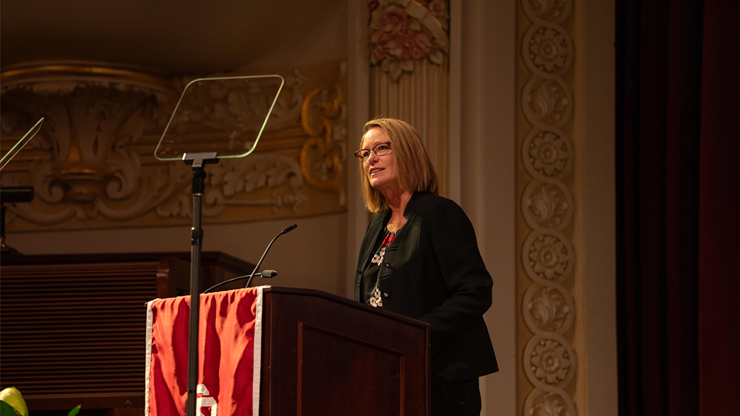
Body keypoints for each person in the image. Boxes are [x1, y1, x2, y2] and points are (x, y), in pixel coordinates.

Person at [353, 118, 498, 415]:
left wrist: (417, 336)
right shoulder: (375, 228)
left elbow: (475, 291)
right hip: (387, 379)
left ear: (406, 153)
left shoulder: (440, 214)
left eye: (381, 148)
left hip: (439, 380)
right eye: (365, 153)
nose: (372, 159)